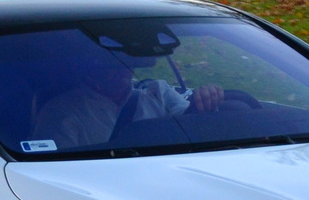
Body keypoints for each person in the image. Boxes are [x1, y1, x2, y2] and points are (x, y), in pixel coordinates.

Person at [33, 54, 225, 150]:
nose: (123, 68)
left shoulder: (158, 93)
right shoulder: (60, 113)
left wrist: (205, 99)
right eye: (111, 63)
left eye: (127, 61)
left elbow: (188, 122)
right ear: (89, 67)